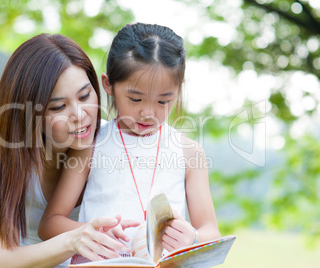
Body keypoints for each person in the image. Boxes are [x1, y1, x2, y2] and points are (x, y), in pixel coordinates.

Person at [38, 23, 221, 263]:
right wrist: (88, 232)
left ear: (179, 90)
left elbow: (211, 232)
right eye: (135, 99)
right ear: (108, 85)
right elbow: (49, 223)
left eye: (163, 101)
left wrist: (193, 237)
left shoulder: (188, 153)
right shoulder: (90, 145)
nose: (148, 113)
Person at [0, 33, 139, 268]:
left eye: (84, 95)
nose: (80, 115)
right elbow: (2, 260)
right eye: (59, 106)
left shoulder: (110, 143)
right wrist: (74, 240)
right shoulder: (5, 154)